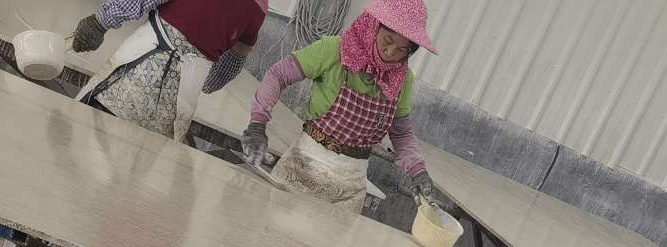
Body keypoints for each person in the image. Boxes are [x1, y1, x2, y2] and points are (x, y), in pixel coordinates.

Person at [241, 0, 436, 209]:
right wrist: (257, 124)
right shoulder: (336, 50)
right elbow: (278, 75)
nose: (390, 53)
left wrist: (418, 171)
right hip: (304, 165)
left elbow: (402, 134)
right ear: (374, 26)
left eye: (401, 50)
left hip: (350, 185)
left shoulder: (402, 79)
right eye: (387, 40)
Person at [72, 0, 268, 142]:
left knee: (88, 138)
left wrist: (101, 22)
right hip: (178, 102)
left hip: (137, 73)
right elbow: (231, 64)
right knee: (137, 164)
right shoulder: (260, 8)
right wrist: (202, 77)